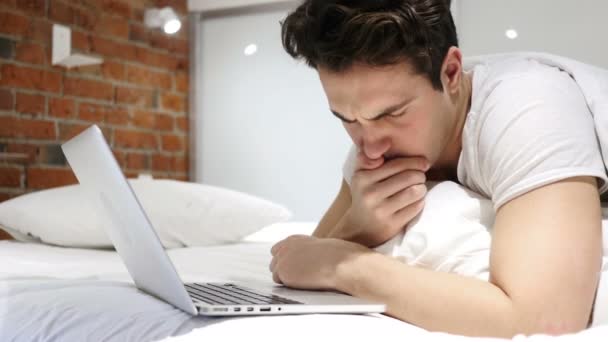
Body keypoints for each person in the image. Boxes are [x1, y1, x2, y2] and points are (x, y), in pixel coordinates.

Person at [268, 0, 608, 338]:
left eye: (391, 114)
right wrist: (360, 228)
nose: (369, 147)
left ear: (451, 74)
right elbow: (300, 260)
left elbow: (545, 321)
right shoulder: (377, 136)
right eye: (346, 119)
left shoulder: (530, 109)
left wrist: (349, 268)